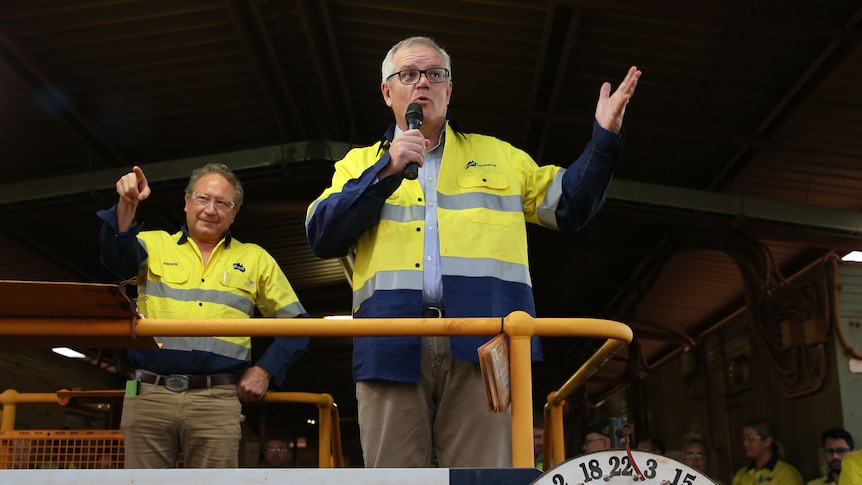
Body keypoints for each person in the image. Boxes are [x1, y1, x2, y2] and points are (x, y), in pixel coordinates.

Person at [305, 35, 640, 468]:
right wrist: (387, 168)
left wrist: (605, 138)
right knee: (394, 479)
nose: (422, 83)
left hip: (487, 341)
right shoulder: (358, 164)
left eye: (435, 75)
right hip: (390, 343)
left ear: (450, 90)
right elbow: (321, 235)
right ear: (388, 92)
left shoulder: (500, 156)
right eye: (408, 74)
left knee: (485, 476)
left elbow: (570, 206)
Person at [98, 163, 310, 468]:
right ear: (186, 202)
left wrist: (265, 370)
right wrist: (127, 202)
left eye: (222, 203)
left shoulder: (255, 259)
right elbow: (115, 259)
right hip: (149, 396)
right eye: (203, 199)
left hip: (216, 400)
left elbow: (299, 324)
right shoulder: (153, 245)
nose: (211, 210)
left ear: (235, 212)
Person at [731, 419, 803, 485]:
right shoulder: (742, 474)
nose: (745, 443)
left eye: (750, 438)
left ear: (767, 441)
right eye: (744, 439)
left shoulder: (786, 473)